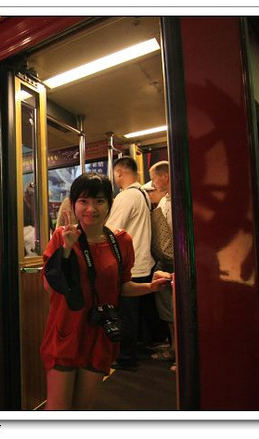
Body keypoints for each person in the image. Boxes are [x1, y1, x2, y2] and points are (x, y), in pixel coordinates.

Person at [40, 173, 171, 409]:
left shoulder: (121, 241)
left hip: (100, 333)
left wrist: (150, 286)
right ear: (74, 204)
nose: (91, 208)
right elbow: (49, 285)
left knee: (83, 409)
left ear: (110, 203)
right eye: (84, 201)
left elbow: (122, 287)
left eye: (99, 201)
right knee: (58, 412)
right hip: (66, 332)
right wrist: (67, 250)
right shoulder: (62, 237)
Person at [105, 156, 163, 371]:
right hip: (144, 261)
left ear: (119, 172)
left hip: (131, 264)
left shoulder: (127, 196)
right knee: (135, 314)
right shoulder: (143, 195)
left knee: (126, 314)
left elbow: (111, 230)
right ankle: (137, 348)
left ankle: (126, 357)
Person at [148, 161, 176, 370]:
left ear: (165, 176)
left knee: (174, 311)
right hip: (167, 263)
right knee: (168, 311)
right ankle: (175, 348)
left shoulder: (174, 202)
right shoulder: (165, 201)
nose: (153, 184)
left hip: (172, 263)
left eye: (154, 178)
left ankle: (178, 353)